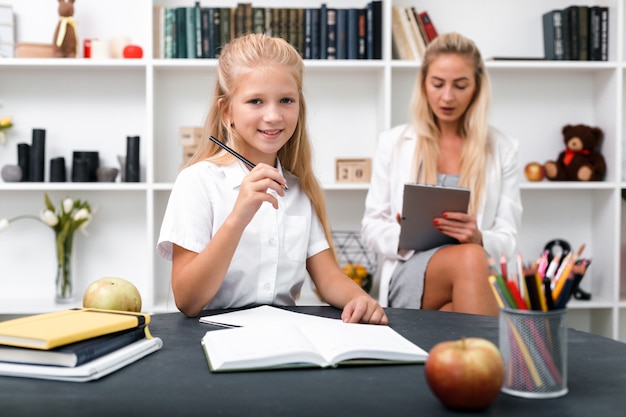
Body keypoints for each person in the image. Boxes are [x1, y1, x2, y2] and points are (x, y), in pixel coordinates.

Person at [157, 33, 387, 324]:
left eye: (286, 100)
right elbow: (187, 300)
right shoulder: (197, 182)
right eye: (255, 101)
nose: (274, 116)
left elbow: (328, 278)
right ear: (227, 111)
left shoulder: (299, 188)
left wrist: (360, 300)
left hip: (283, 336)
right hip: (211, 340)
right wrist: (238, 217)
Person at [361, 32, 522, 316]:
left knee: (454, 308)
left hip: (473, 275)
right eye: (438, 84)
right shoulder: (394, 142)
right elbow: (371, 228)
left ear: (477, 87)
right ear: (424, 84)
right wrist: (405, 235)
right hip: (410, 269)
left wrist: (478, 237)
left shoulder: (503, 148)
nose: (447, 97)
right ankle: (497, 360)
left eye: (460, 86)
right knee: (471, 260)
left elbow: (508, 239)